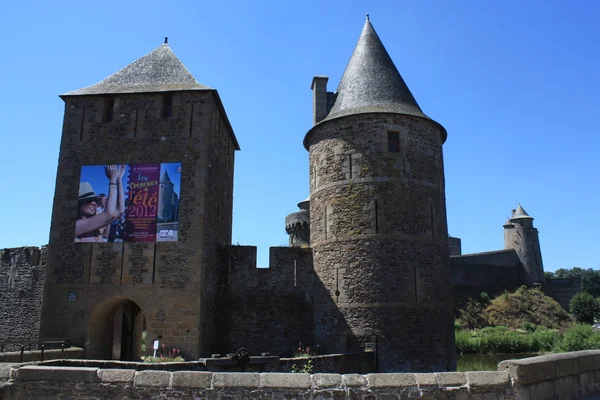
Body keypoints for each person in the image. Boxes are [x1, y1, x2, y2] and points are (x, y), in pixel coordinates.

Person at [75, 165, 126, 242]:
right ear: (79, 204)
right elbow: (109, 213)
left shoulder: (96, 222)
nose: (93, 203)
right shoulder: (77, 225)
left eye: (94, 200)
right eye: (89, 200)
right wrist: (112, 180)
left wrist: (119, 179)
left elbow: (120, 209)